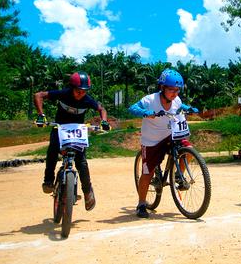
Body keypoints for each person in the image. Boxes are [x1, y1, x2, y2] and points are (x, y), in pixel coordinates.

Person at [34, 71, 111, 211]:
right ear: (71, 87)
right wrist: (41, 115)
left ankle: (88, 192)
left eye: (84, 91)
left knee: (81, 162)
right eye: (78, 90)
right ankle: (48, 180)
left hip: (77, 132)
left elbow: (102, 109)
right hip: (60, 129)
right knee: (52, 150)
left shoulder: (88, 100)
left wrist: (104, 121)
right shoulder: (63, 94)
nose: (81, 94)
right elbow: (38, 95)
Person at [128, 68, 198, 218]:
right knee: (148, 172)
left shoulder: (176, 100)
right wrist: (144, 112)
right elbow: (132, 108)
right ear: (162, 87)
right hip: (151, 141)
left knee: (189, 149)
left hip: (171, 135)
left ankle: (178, 176)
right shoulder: (150, 100)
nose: (175, 94)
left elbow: (180, 106)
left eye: (177, 90)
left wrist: (189, 108)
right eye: (171, 90)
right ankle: (141, 204)